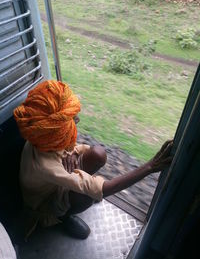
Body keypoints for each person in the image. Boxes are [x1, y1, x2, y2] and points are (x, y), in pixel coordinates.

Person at [14, 80, 173, 240]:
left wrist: (71, 153)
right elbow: (105, 188)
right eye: (71, 120)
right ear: (56, 132)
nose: (77, 121)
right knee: (87, 196)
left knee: (98, 153)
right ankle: (62, 217)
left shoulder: (43, 136)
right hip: (45, 203)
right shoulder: (45, 165)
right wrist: (150, 167)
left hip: (55, 179)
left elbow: (72, 149)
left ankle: (77, 198)